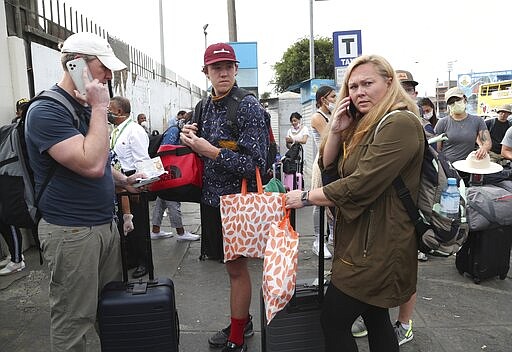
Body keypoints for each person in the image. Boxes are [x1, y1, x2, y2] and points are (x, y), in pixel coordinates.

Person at [285, 54, 424, 352]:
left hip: (381, 244)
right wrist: (336, 128)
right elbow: (328, 166)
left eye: (368, 84)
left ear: (389, 83)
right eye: (353, 86)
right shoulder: (366, 123)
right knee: (375, 317)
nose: (359, 91)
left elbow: (360, 185)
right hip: (361, 237)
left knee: (334, 319)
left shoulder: (399, 122)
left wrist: (306, 197)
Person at [24, 32, 143, 351]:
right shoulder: (47, 111)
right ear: (76, 65)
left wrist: (124, 181)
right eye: (103, 67)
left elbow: (101, 162)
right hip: (72, 232)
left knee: (112, 312)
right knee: (73, 321)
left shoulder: (86, 108)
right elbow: (90, 164)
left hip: (103, 226)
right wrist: (101, 109)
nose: (109, 75)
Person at [180, 42, 269, 352]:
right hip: (212, 201)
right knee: (229, 267)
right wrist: (187, 134)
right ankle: (242, 323)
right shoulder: (204, 105)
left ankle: (237, 335)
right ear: (205, 71)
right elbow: (190, 135)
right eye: (216, 67)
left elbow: (255, 164)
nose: (223, 72)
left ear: (235, 70)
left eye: (228, 66)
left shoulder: (247, 105)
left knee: (236, 269)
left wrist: (211, 151)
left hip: (239, 205)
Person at [109, 95, 152, 279]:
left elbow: (143, 159)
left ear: (119, 111)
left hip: (133, 180)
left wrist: (140, 185)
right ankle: (133, 258)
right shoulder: (115, 131)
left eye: (109, 108)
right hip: (121, 182)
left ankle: (145, 263)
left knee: (139, 225)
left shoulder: (134, 130)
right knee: (127, 225)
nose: (106, 112)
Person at [151, 111, 199, 242]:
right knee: (173, 201)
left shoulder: (178, 130)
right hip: (169, 173)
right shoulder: (174, 130)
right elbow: (165, 152)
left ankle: (155, 230)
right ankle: (181, 233)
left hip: (166, 172)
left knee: (161, 202)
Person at [434, 87, 491, 185]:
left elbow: (487, 142)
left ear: (464, 99)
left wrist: (484, 149)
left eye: (457, 100)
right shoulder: (442, 123)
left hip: (470, 168)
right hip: (449, 170)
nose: (455, 104)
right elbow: (437, 149)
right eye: (451, 102)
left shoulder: (477, 120)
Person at [0, 98, 31, 275]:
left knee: (9, 216)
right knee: (5, 217)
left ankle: (17, 258)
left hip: (15, 179)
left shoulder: (24, 128)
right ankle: (15, 255)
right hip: (9, 177)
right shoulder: (10, 129)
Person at [310, 86, 336, 259]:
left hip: (335, 161)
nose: (336, 99)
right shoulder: (317, 117)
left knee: (334, 199)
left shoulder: (331, 116)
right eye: (332, 97)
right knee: (319, 201)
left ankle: (334, 236)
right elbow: (329, 137)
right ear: (323, 99)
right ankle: (319, 241)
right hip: (322, 162)